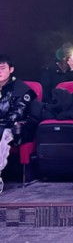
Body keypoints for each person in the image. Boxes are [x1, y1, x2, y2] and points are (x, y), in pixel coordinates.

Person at [0, 55, 37, 194]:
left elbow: (16, 114)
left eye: (2, 68)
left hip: (17, 127)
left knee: (2, 133)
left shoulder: (22, 89)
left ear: (11, 69)